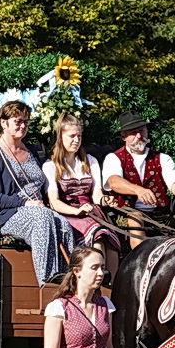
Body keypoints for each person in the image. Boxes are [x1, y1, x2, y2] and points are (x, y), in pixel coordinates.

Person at [0, 100, 76, 285]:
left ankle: (70, 280)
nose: (23, 126)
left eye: (26, 122)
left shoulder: (32, 151)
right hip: (0, 216)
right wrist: (23, 203)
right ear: (3, 123)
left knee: (64, 224)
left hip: (35, 209)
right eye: (17, 121)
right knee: (42, 219)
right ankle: (48, 282)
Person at [42, 112, 124, 277]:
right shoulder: (51, 166)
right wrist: (76, 211)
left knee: (112, 244)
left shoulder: (90, 161)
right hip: (68, 214)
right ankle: (93, 289)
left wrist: (105, 200)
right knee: (98, 240)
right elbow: (54, 203)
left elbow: (96, 195)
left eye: (79, 136)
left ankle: (113, 292)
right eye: (71, 136)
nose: (76, 140)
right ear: (60, 137)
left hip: (91, 211)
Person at [101, 111, 175, 234]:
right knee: (136, 218)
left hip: (160, 215)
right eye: (133, 133)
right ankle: (139, 253)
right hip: (126, 214)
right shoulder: (113, 158)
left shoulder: (162, 158)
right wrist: (138, 190)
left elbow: (173, 180)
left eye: (141, 131)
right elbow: (114, 182)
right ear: (123, 136)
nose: (139, 136)